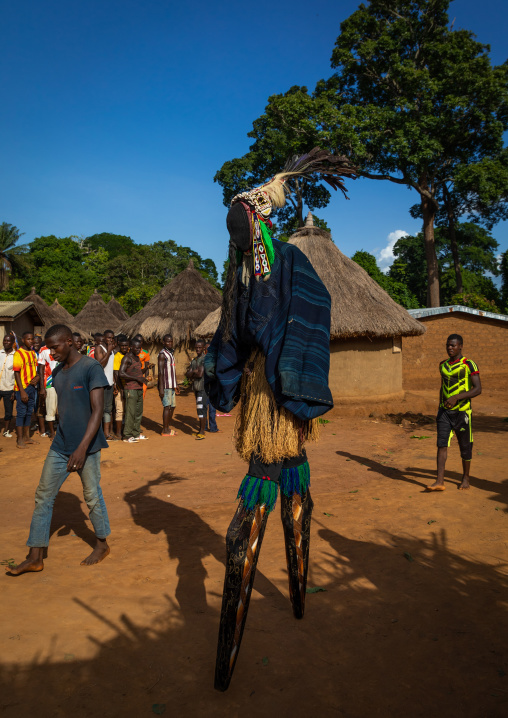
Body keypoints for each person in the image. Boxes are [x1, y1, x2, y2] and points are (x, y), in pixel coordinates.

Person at [204, 148, 356, 691]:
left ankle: (270, 612)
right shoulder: (243, 271)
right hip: (262, 398)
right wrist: (228, 377)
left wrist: (286, 367)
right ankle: (286, 599)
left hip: (280, 400)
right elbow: (232, 333)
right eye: (232, 228)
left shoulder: (287, 260)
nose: (235, 234)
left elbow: (311, 312)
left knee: (266, 501)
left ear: (259, 219)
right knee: (288, 479)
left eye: (241, 223)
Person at [7, 324, 111, 575]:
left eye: (55, 347)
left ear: (69, 342)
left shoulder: (90, 368)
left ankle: (102, 543)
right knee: (43, 495)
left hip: (86, 448)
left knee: (92, 496)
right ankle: (35, 556)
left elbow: (97, 410)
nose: (51, 352)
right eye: (49, 348)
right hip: (60, 445)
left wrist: (82, 448)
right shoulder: (57, 371)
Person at [428, 334, 482, 491]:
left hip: (462, 412)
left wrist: (456, 397)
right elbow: (442, 386)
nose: (449, 348)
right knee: (441, 445)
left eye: (453, 345)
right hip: (444, 412)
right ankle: (439, 481)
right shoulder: (443, 365)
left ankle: (466, 478)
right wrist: (440, 407)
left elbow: (477, 389)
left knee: (465, 447)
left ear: (461, 346)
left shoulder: (469, 365)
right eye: (447, 345)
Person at [13, 331, 39, 449]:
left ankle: (27, 437)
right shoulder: (18, 353)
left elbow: (36, 369)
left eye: (32, 339)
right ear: (23, 340)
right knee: (21, 413)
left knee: (29, 412)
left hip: (32, 387)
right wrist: (22, 390)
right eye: (28, 339)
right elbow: (16, 373)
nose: (31, 341)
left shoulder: (33, 353)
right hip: (22, 388)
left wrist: (38, 377)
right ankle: (19, 440)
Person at [119, 338, 148, 443]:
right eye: (136, 347)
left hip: (139, 388)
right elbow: (121, 373)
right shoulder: (127, 358)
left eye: (139, 348)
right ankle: (127, 435)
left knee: (138, 412)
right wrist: (137, 379)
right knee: (130, 413)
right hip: (130, 389)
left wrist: (146, 369)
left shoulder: (136, 358)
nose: (138, 349)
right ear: (131, 347)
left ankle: (136, 433)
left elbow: (137, 372)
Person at [95, 329, 115, 440]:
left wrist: (114, 383)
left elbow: (111, 368)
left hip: (110, 383)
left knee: (108, 409)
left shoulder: (111, 350)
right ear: (104, 337)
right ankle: (98, 433)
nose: (110, 340)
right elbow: (100, 364)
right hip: (101, 383)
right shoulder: (99, 348)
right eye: (108, 338)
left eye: (112, 338)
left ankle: (106, 434)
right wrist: (108, 351)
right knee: (100, 409)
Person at [186, 340, 208, 440]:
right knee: (199, 409)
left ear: (204, 348)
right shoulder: (194, 360)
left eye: (200, 347)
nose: (198, 349)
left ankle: (202, 431)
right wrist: (194, 371)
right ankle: (200, 430)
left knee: (201, 409)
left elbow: (200, 374)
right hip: (196, 388)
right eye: (196, 347)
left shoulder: (204, 359)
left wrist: (193, 372)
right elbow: (187, 375)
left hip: (203, 388)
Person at [158, 334, 179, 436]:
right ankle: (164, 430)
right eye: (167, 341)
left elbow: (172, 370)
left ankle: (167, 427)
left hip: (172, 385)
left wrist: (176, 384)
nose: (170, 343)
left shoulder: (171, 353)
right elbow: (161, 372)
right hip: (165, 386)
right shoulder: (162, 354)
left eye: (171, 341)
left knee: (173, 406)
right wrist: (161, 388)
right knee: (167, 406)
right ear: (163, 342)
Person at [37, 341, 59, 439]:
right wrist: (42, 387)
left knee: (63, 410)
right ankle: (52, 433)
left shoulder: (63, 346)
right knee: (50, 409)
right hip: (50, 383)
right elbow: (41, 368)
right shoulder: (44, 349)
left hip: (64, 383)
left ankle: (62, 432)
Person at [113, 334, 129, 440]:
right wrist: (120, 388)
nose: (124, 347)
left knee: (127, 410)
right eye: (122, 345)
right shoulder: (117, 356)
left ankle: (125, 430)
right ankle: (118, 433)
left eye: (126, 345)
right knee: (119, 409)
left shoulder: (128, 355)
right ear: (119, 345)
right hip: (120, 386)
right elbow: (116, 373)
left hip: (128, 386)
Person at [0, 333, 16, 438]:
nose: (6, 342)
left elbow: (17, 374)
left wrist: (14, 390)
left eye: (8, 340)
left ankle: (6, 431)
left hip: (9, 388)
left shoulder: (16, 356)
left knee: (8, 411)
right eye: (5, 340)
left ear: (13, 342)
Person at [204, 342, 218, 433]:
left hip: (213, 388)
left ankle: (213, 428)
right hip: (205, 388)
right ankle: (204, 427)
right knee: (204, 408)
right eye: (207, 349)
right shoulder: (203, 360)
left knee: (212, 410)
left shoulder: (215, 360)